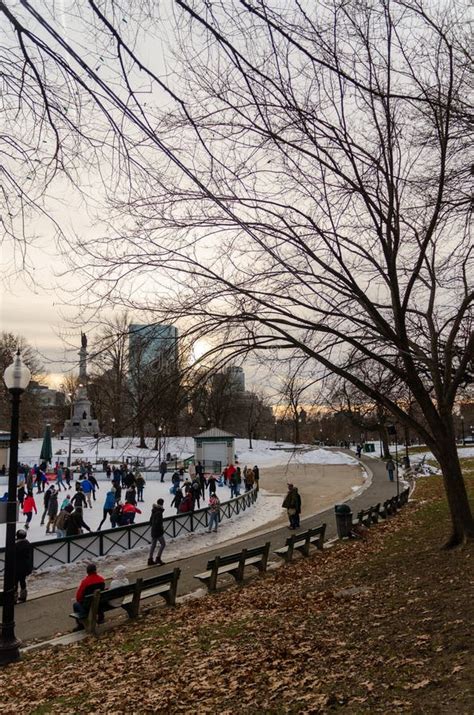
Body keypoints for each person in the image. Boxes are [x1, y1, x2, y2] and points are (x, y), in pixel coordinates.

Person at [72, 563, 105, 630]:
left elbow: (78, 597)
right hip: (99, 604)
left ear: (87, 572)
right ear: (95, 570)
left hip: (87, 606)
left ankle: (80, 625)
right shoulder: (101, 579)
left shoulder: (85, 582)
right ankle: (101, 617)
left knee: (76, 605)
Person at [14, 529, 33, 603]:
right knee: (22, 581)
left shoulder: (16, 545)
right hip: (25, 567)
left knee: (14, 582)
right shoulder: (27, 543)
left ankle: (13, 598)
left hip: (17, 567)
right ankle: (23, 596)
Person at [148, 498, 166, 566]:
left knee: (153, 545)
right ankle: (158, 558)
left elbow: (150, 522)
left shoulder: (154, 510)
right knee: (163, 544)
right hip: (158, 532)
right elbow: (158, 523)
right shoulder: (159, 512)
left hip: (153, 530)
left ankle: (150, 559)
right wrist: (161, 529)